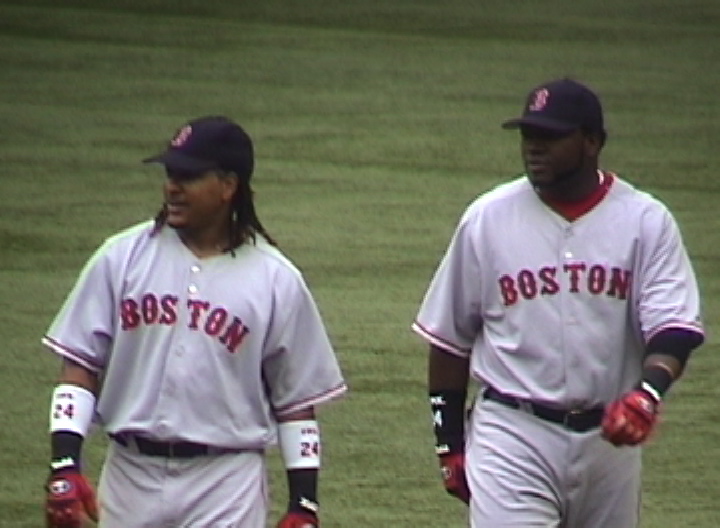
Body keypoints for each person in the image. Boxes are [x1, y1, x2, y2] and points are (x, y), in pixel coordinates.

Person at [412, 78, 705, 527]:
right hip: (513, 434)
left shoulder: (645, 220)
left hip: (610, 443)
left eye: (550, 136)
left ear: (592, 142)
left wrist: (647, 395)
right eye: (529, 135)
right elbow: (449, 340)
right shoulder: (487, 218)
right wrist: (448, 444)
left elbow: (674, 328)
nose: (535, 147)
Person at [42, 115, 347, 528]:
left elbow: (295, 404)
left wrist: (303, 505)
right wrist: (65, 464)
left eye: (187, 176)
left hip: (225, 482)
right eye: (170, 174)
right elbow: (80, 365)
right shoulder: (121, 257)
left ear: (228, 185)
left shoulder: (275, 279)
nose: (172, 187)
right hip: (131, 473)